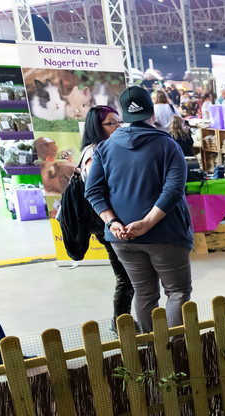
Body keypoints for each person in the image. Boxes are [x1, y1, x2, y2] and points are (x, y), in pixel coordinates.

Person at [84, 85, 192, 334]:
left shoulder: (105, 148)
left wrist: (112, 222)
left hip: (122, 237)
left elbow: (93, 191)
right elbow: (173, 190)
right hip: (166, 234)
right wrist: (147, 223)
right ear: (152, 111)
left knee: (144, 293)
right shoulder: (167, 145)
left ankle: (152, 348)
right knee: (176, 292)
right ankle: (175, 350)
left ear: (124, 115)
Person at [78, 105, 134, 326]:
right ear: (96, 127)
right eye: (111, 123)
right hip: (107, 223)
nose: (118, 127)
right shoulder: (94, 152)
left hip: (115, 221)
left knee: (128, 276)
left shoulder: (110, 148)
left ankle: (121, 321)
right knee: (126, 277)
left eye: (119, 121)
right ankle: (120, 323)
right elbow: (96, 191)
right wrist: (112, 220)